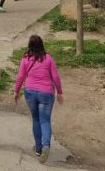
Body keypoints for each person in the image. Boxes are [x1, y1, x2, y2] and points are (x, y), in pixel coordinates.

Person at [14, 34, 64, 162]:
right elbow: (56, 77)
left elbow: (20, 77)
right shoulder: (48, 59)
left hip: (30, 92)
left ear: (29, 46)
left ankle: (38, 148)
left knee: (36, 119)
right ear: (42, 44)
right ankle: (46, 146)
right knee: (45, 121)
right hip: (46, 94)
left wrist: (16, 91)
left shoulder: (25, 59)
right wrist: (59, 92)